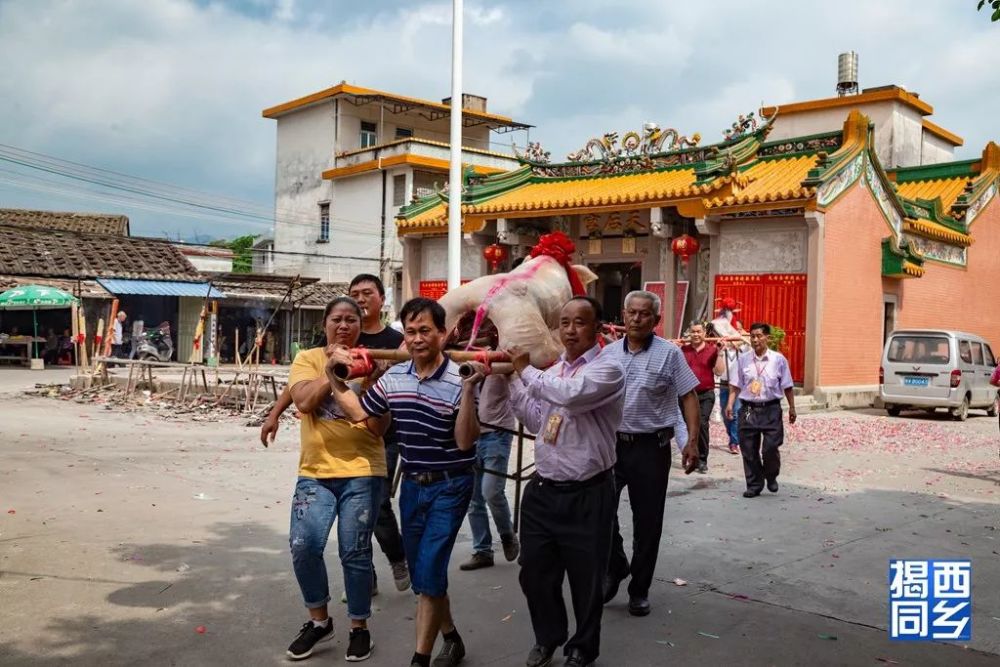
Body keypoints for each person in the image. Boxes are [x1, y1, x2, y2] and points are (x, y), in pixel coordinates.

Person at [326, 297, 481, 667]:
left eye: (425, 330)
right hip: (412, 485)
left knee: (428, 572)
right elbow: (366, 416)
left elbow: (464, 441)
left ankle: (419, 660)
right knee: (423, 574)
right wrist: (335, 382)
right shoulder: (394, 378)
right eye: (410, 331)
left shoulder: (461, 379)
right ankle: (452, 639)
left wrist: (472, 390)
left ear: (443, 334)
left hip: (451, 484)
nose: (416, 338)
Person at [261, 274, 412, 595]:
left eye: (367, 294)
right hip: (323, 461)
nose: (360, 300)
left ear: (382, 299)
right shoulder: (319, 353)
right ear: (328, 321)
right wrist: (274, 413)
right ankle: (365, 579)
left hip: (380, 436)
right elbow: (300, 389)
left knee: (378, 508)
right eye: (354, 294)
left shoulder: (393, 344)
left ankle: (396, 558)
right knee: (341, 535)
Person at [507, 296, 625, 667]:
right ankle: (548, 636)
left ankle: (582, 648)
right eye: (565, 323)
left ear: (598, 328)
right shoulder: (553, 371)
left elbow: (571, 398)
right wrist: (510, 378)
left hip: (589, 491)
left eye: (580, 323)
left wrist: (525, 371)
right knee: (534, 573)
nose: (570, 330)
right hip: (543, 490)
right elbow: (536, 417)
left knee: (586, 579)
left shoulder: (609, 369)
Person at [283, 296, 386, 662]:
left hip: (363, 470)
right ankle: (319, 621)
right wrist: (331, 370)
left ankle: (359, 627)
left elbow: (378, 425)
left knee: (355, 552)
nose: (344, 326)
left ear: (361, 325)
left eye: (351, 320)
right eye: (336, 319)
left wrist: (367, 377)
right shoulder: (306, 359)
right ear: (325, 324)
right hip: (315, 472)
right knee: (303, 545)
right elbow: (305, 402)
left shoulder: (374, 363)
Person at [602, 290, 701, 618]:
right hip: (613, 445)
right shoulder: (610, 353)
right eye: (631, 312)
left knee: (648, 523)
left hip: (651, 448)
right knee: (599, 511)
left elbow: (689, 396)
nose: (636, 318)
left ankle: (639, 589)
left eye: (644, 314)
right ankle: (616, 566)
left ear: (656, 320)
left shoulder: (669, 354)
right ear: (624, 314)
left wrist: (691, 442)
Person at [724, 322, 797, 498]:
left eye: (759, 336)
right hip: (748, 409)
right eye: (753, 336)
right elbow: (735, 384)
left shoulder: (778, 360)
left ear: (767, 338)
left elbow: (787, 385)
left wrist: (792, 408)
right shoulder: (743, 360)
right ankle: (754, 484)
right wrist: (729, 404)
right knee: (748, 449)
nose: (755, 339)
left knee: (770, 448)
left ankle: (771, 475)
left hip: (770, 408)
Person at [458, 373, 520, 571]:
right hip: (470, 434)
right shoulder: (463, 359)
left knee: (491, 490)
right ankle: (482, 550)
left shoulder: (501, 363)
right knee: (473, 497)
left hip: (497, 433)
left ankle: (507, 535)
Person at [680, 321, 718, 474]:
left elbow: (720, 371)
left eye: (698, 332)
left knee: (702, 424)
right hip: (687, 394)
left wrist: (720, 353)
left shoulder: (712, 350)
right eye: (693, 332)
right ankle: (690, 456)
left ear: (704, 334)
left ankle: (702, 459)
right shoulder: (683, 350)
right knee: (688, 426)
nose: (696, 335)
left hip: (705, 394)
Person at [714, 336, 745, 455]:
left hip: (737, 385)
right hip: (724, 383)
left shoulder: (744, 351)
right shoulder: (722, 350)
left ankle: (734, 442)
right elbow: (717, 369)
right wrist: (720, 350)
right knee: (724, 412)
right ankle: (733, 435)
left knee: (735, 412)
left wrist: (741, 341)